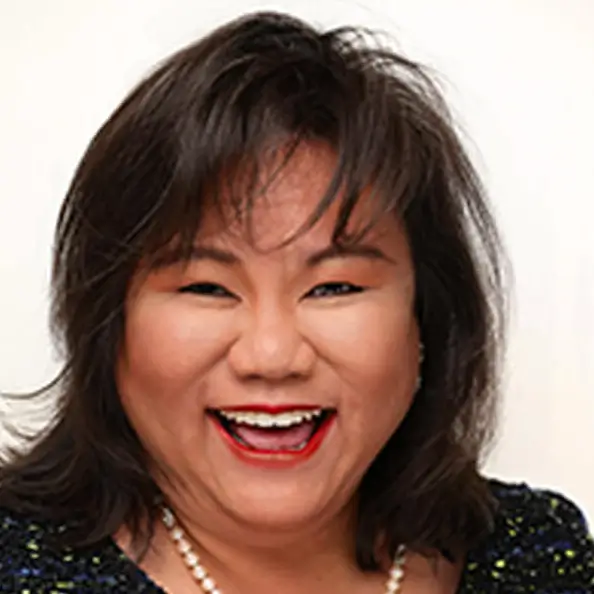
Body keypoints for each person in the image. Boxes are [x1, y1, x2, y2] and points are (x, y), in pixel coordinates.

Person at [0, 10, 592, 594]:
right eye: (207, 287)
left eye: (333, 288)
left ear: (427, 320)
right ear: (109, 323)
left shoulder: (538, 553)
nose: (272, 354)